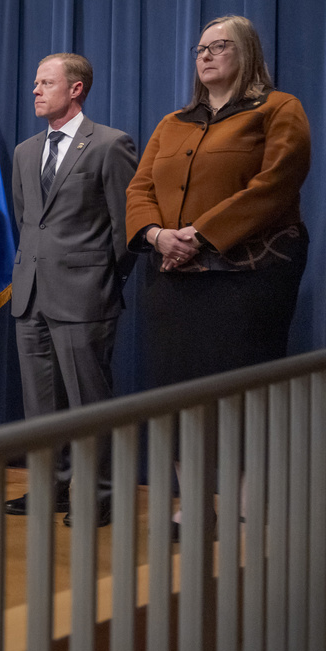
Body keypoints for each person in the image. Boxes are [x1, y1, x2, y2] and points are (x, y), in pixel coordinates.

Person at [126, 15, 311, 536]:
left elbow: (276, 184)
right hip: (171, 273)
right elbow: (138, 191)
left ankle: (245, 507)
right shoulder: (172, 122)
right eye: (200, 48)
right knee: (176, 390)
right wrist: (160, 237)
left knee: (239, 390)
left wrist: (200, 236)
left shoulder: (278, 109)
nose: (205, 55)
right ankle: (195, 506)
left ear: (246, 52)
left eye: (219, 46)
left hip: (247, 277)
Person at [6, 53, 138, 528]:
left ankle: (97, 495)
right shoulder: (24, 151)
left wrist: (101, 281)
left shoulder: (109, 144)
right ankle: (51, 489)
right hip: (30, 296)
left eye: (46, 82)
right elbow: (29, 222)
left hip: (85, 295)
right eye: (35, 82)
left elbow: (126, 231)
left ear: (76, 88)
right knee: (41, 406)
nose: (36, 90)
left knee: (88, 402)